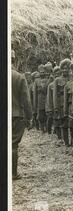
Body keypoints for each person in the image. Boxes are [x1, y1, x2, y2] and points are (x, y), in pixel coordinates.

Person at [11, 50, 32, 180]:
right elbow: (26, 100)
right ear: (14, 60)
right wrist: (29, 117)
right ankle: (13, 173)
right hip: (16, 115)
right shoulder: (19, 77)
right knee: (13, 145)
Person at [53, 59, 71, 147]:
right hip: (61, 104)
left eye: (66, 68)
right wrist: (56, 107)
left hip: (70, 103)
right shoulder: (57, 80)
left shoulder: (72, 78)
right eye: (63, 68)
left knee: (71, 123)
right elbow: (55, 95)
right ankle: (66, 141)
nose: (65, 70)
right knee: (64, 124)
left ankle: (72, 142)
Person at [33, 64, 49, 133]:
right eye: (41, 72)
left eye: (43, 72)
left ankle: (48, 127)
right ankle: (42, 128)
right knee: (41, 115)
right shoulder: (36, 81)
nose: (42, 73)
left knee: (47, 114)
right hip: (39, 100)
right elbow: (35, 93)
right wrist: (35, 103)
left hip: (47, 98)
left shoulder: (47, 79)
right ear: (39, 72)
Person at [46, 66, 61, 136]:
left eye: (59, 74)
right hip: (54, 104)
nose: (57, 75)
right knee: (55, 120)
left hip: (62, 104)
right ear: (54, 75)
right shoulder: (50, 85)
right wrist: (50, 108)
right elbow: (49, 98)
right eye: (56, 74)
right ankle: (56, 134)